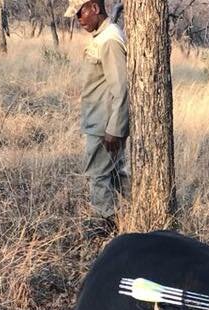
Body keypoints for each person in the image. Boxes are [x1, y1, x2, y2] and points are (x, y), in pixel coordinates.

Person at [64, 0, 129, 239]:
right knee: (114, 175)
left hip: (104, 126)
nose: (78, 19)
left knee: (98, 176)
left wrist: (115, 129)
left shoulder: (110, 39)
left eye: (80, 13)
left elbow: (121, 88)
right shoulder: (101, 36)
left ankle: (107, 229)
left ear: (94, 7)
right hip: (98, 120)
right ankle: (140, 213)